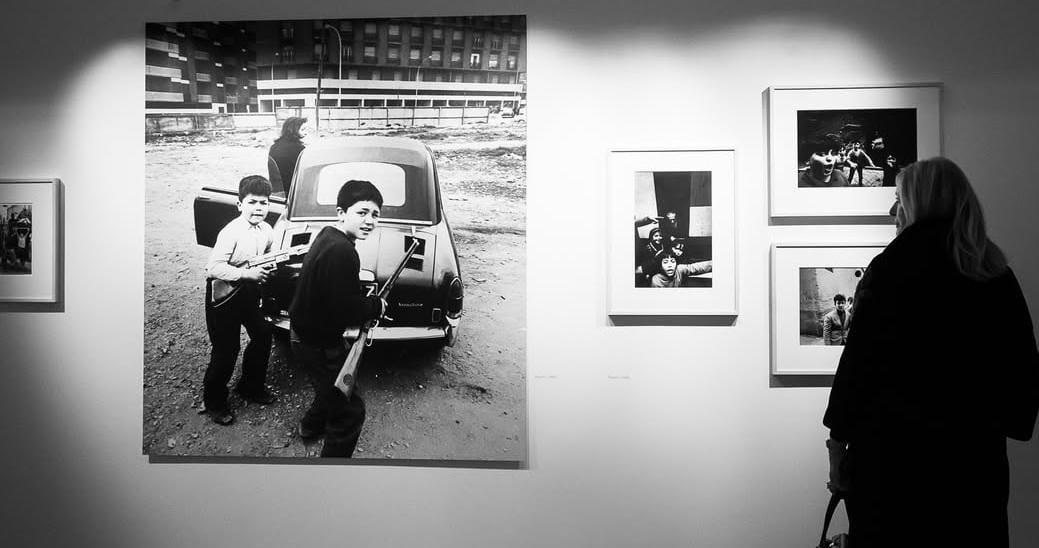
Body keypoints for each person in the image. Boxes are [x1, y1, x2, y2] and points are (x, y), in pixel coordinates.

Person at [823, 157, 1039, 547]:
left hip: (891, 464)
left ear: (920, 204)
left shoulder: (890, 269)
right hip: (972, 466)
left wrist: (837, 446)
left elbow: (857, 367)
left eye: (899, 198)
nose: (892, 210)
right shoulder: (992, 272)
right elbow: (1023, 372)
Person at [289, 180, 387, 458]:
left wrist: (360, 299)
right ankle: (331, 472)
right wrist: (376, 305)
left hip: (304, 334)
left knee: (328, 387)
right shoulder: (343, 251)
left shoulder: (328, 235)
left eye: (375, 214)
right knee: (349, 410)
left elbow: (334, 292)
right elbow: (346, 309)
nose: (369, 220)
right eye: (362, 212)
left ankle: (310, 427)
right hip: (317, 342)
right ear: (341, 213)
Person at [201, 175, 277, 425]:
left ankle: (250, 386)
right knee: (226, 350)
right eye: (252, 202)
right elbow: (213, 268)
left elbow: (266, 256)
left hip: (248, 293)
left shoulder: (267, 230)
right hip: (222, 297)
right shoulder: (231, 232)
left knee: (263, 334)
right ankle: (214, 402)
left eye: (263, 203)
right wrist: (247, 274)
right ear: (239, 204)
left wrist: (269, 268)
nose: (258, 208)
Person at [268, 116, 307, 193]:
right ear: (293, 130)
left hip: (275, 189)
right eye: (302, 129)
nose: (306, 133)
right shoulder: (299, 149)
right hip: (292, 190)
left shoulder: (274, 147)